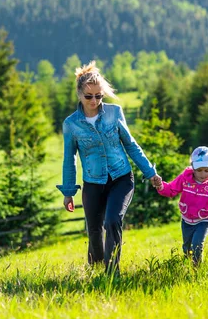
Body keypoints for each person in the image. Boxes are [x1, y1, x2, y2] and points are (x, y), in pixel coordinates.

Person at [57, 61, 162, 274]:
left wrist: (150, 172)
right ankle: (95, 271)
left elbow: (131, 145)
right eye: (89, 96)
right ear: (79, 94)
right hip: (93, 183)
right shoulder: (71, 124)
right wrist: (68, 192)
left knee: (113, 220)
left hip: (121, 178)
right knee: (94, 231)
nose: (94, 100)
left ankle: (112, 272)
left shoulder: (115, 113)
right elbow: (69, 159)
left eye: (99, 96)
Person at [155, 146, 208, 265]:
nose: (203, 174)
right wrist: (160, 186)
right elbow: (171, 189)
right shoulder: (185, 178)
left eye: (207, 170)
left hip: (203, 220)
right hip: (186, 220)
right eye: (199, 170)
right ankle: (188, 266)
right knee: (187, 248)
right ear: (193, 167)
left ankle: (197, 269)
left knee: (197, 245)